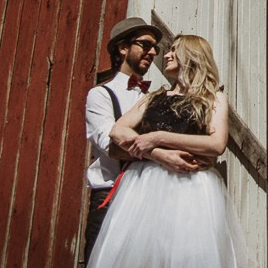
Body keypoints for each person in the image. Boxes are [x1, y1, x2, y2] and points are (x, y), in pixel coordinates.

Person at [87, 34, 249, 268]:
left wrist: (158, 138)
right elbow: (117, 130)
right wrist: (153, 151)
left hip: (192, 189)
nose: (167, 54)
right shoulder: (153, 97)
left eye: (174, 50)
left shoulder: (213, 98)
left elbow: (216, 145)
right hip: (144, 188)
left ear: (192, 56)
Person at [84, 17, 202, 260]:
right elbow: (111, 146)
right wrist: (161, 155)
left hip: (149, 198)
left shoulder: (156, 96)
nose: (152, 52)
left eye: (155, 48)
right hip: (110, 197)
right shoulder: (101, 95)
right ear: (123, 48)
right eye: (145, 45)